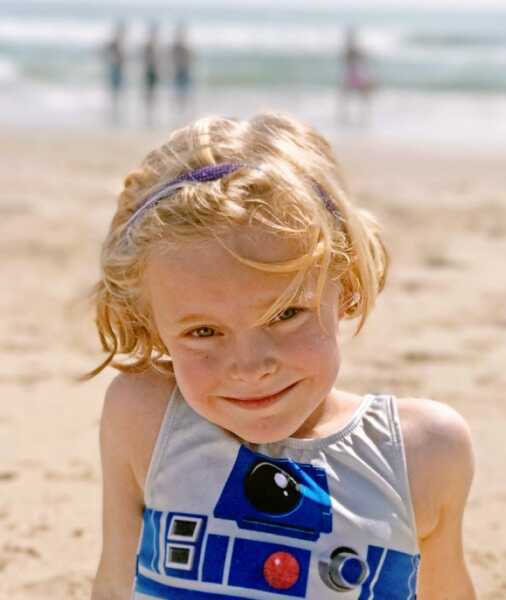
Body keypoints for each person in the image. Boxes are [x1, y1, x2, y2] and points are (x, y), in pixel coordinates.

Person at [86, 113, 476, 599]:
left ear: (347, 281)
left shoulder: (421, 453)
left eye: (286, 313)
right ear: (152, 325)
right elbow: (113, 584)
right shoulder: (145, 420)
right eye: (204, 331)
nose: (250, 366)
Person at [338, 26, 376, 125]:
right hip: (356, 75)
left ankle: (351, 117)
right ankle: (360, 117)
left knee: (348, 97)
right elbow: (364, 61)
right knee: (356, 98)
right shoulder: (355, 49)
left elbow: (346, 61)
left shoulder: (350, 50)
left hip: (354, 75)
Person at [101, 20, 126, 125]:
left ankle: (115, 110)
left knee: (118, 90)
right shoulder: (113, 43)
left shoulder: (121, 43)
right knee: (114, 90)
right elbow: (103, 51)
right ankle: (113, 111)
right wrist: (111, 59)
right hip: (114, 69)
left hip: (119, 69)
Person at [171, 22, 194, 116]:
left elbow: (191, 59)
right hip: (178, 71)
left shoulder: (186, 46)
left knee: (186, 93)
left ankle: (184, 112)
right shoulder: (176, 47)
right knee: (177, 93)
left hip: (185, 71)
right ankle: (179, 112)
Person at [141, 22, 160, 126]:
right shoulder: (148, 45)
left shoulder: (156, 45)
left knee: (153, 92)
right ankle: (148, 113)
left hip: (153, 71)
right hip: (149, 70)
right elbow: (146, 59)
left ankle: (150, 113)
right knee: (149, 92)